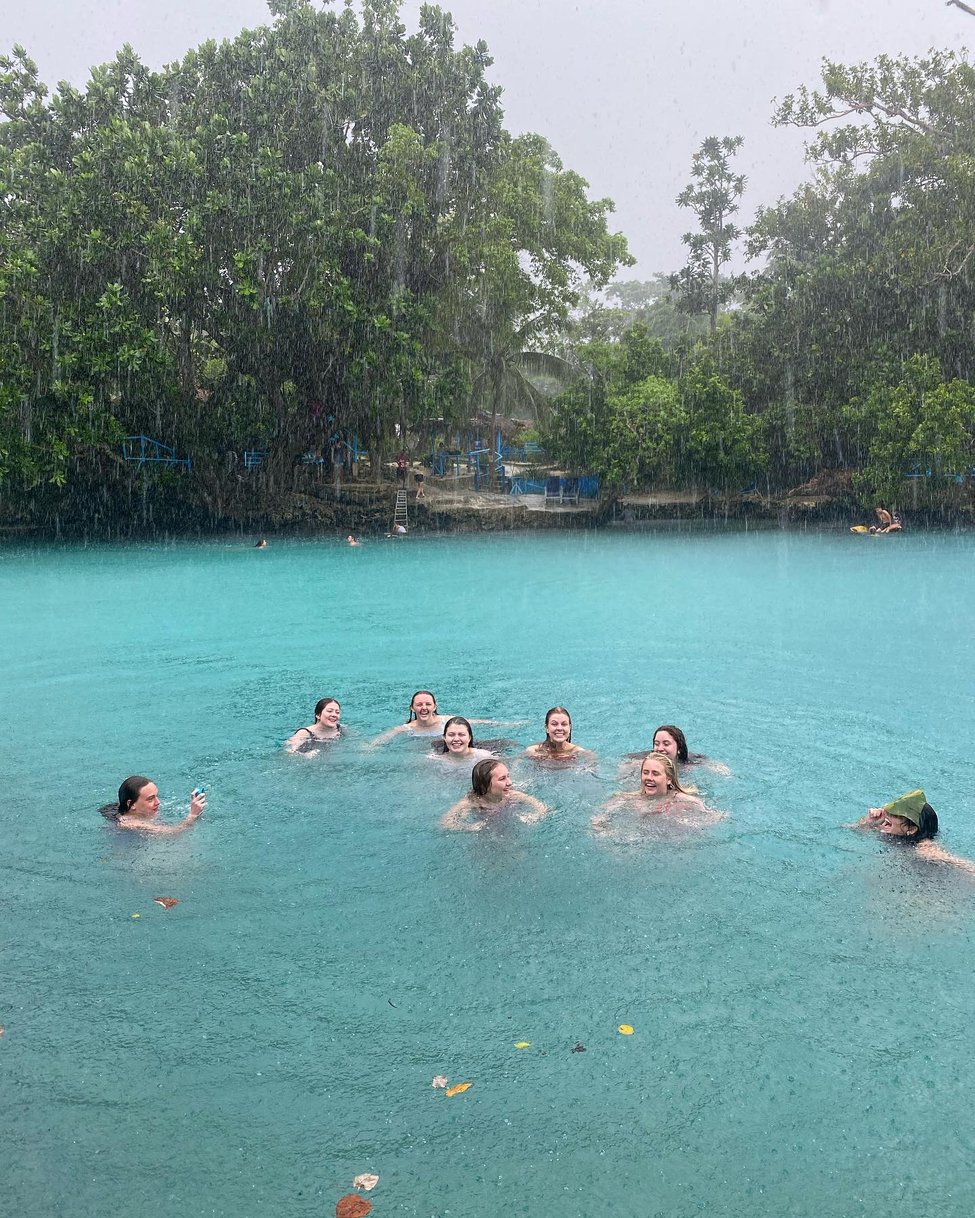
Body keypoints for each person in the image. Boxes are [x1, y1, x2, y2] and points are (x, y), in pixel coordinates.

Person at [850, 789, 975, 873]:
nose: (887, 813)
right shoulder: (894, 831)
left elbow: (959, 864)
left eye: (896, 814)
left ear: (912, 829)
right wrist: (870, 821)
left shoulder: (924, 847)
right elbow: (852, 829)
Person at [593, 753, 720, 835]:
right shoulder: (628, 799)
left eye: (655, 773)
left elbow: (714, 817)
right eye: (645, 772)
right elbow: (598, 819)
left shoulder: (685, 801)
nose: (649, 777)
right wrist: (606, 833)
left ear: (669, 778)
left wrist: (685, 823)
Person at [370, 691, 514, 746]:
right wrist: (369, 747)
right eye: (419, 705)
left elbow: (476, 722)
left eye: (428, 704)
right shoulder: (407, 729)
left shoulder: (446, 721)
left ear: (434, 707)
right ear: (412, 708)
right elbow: (383, 738)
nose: (424, 708)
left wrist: (506, 724)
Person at [441, 760, 550, 831]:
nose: (510, 782)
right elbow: (446, 823)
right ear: (485, 785)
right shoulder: (473, 801)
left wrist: (534, 816)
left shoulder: (513, 795)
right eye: (502, 779)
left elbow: (542, 807)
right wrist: (468, 827)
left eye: (508, 776)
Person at [99, 776, 206, 835]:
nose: (158, 802)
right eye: (150, 799)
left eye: (156, 796)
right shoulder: (131, 824)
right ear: (131, 804)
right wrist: (192, 816)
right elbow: (173, 833)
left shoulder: (138, 811)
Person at [623, 725, 730, 777]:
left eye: (666, 744)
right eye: (656, 744)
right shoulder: (643, 761)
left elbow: (712, 764)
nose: (660, 748)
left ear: (679, 748)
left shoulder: (690, 762)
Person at [524, 707, 594, 763]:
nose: (559, 728)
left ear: (570, 728)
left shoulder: (580, 754)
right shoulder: (533, 752)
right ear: (547, 728)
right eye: (554, 724)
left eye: (564, 724)